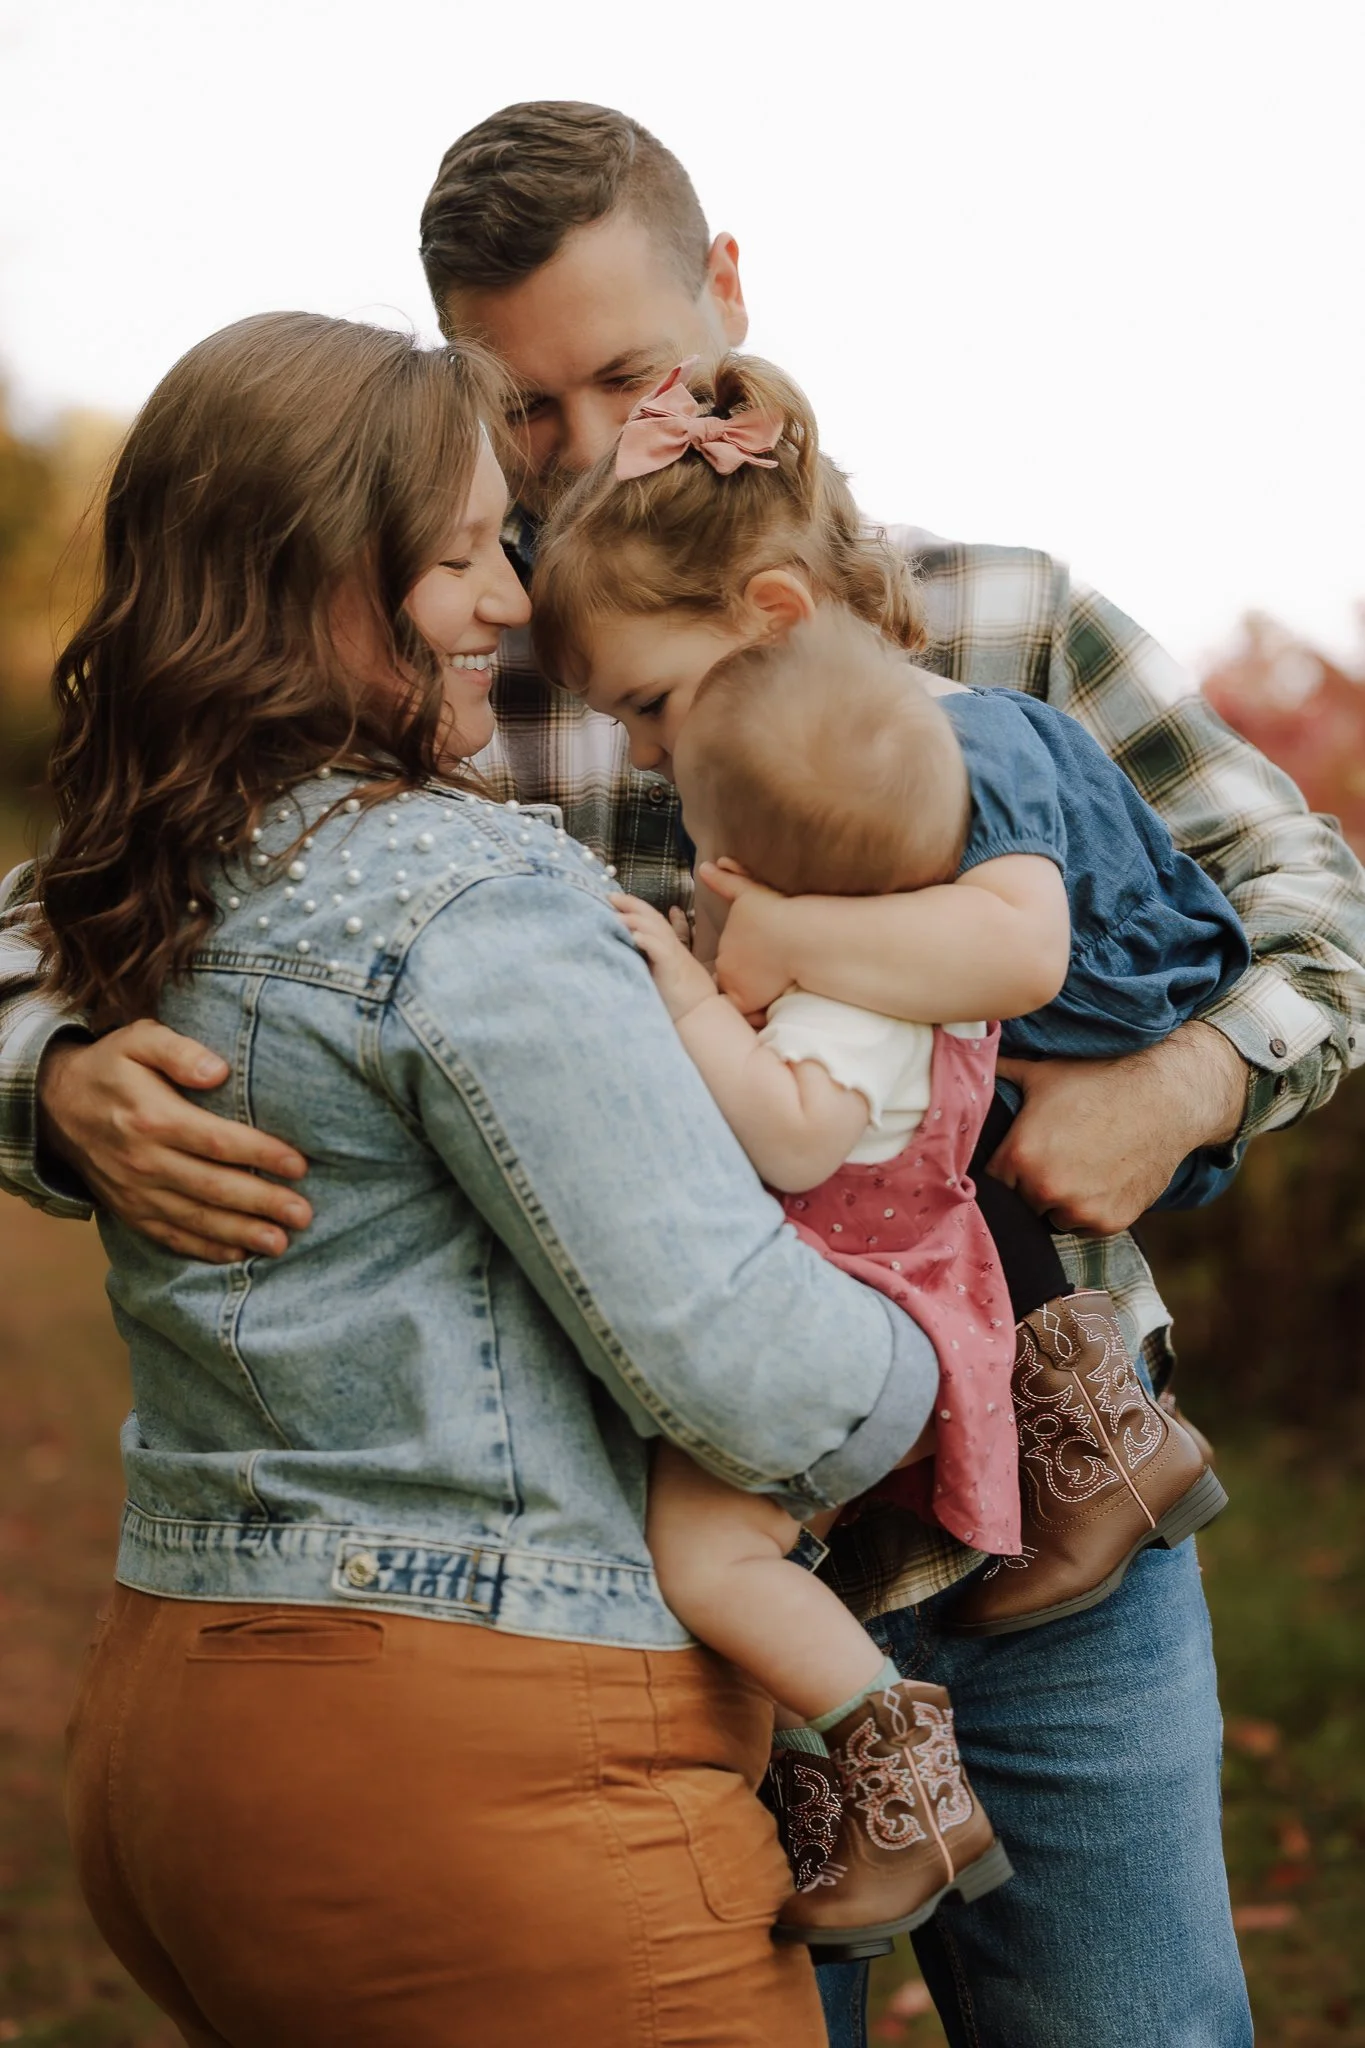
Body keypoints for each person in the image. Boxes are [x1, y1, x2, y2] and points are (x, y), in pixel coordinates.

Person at [3, 101, 1363, 2045]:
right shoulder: (452, 671)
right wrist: (52, 1071)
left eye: (626, 378)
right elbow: (74, 904)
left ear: (725, 296)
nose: (569, 461)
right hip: (676, 1560)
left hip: (1052, 1547)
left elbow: (1309, 888)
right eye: (517, 414)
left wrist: (1197, 1084)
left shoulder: (992, 610)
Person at [35, 306, 969, 2048]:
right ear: (314, 576)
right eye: (460, 556)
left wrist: (45, 1074)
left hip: (177, 1720)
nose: (513, 599)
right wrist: (944, 1340)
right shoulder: (468, 900)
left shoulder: (138, 864)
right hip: (479, 1767)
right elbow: (761, 1387)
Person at [528, 357, 1248, 1948]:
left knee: (954, 1122)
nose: (645, 755)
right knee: (944, 1133)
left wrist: (775, 934)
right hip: (987, 1103)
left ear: (778, 613)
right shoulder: (825, 742)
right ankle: (1089, 1429)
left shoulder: (956, 739)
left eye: (651, 708)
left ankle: (1099, 1437)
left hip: (1115, 1002)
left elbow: (1026, 962)